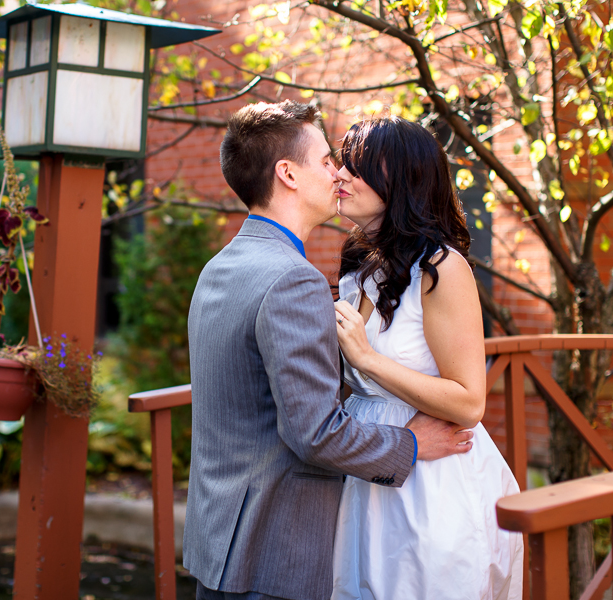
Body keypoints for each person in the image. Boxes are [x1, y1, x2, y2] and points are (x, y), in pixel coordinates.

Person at [184, 100, 474, 600]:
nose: (338, 173)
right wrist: (412, 444)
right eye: (326, 160)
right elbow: (314, 433)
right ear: (288, 174)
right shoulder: (292, 278)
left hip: (221, 538)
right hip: (273, 544)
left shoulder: (222, 265)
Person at [330, 117, 524, 600]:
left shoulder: (440, 267)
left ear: (401, 178)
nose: (340, 176)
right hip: (369, 463)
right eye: (341, 163)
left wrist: (368, 359)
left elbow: (468, 403)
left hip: (432, 479)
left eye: (356, 167)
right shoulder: (359, 267)